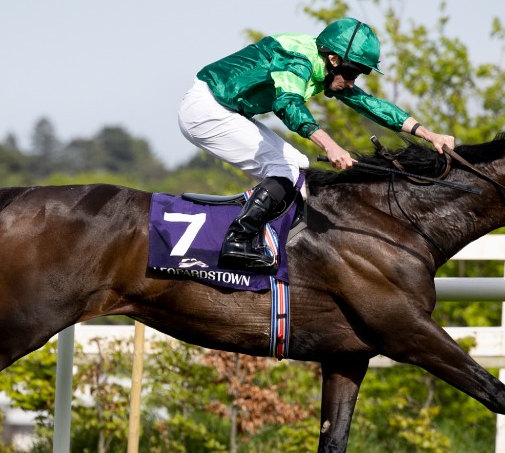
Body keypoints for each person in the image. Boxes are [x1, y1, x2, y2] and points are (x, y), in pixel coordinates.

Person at [178, 17, 455, 274]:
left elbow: (369, 104)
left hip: (226, 109)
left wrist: (429, 134)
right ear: (333, 58)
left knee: (299, 165)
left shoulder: (325, 64)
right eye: (352, 73)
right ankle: (237, 241)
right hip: (207, 109)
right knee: (284, 168)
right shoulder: (297, 60)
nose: (352, 82)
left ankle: (270, 240)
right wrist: (330, 145)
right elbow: (287, 104)